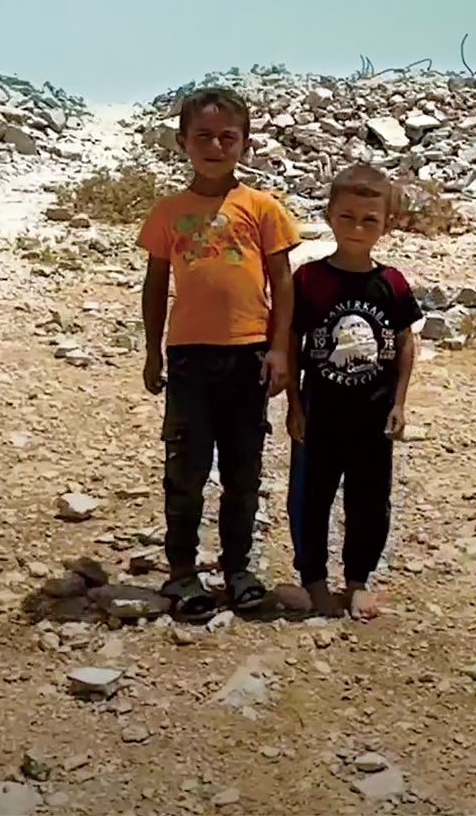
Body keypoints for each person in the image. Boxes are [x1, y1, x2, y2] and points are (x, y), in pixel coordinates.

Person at [137, 87, 300, 621]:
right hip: (188, 358)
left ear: (245, 144)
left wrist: (280, 349)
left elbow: (282, 281)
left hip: (248, 355)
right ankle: (183, 573)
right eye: (202, 136)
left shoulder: (262, 208)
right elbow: (155, 284)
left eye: (227, 137)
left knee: (242, 470)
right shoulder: (168, 212)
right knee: (185, 469)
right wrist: (153, 352)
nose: (214, 147)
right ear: (182, 142)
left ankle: (238, 570)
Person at [285, 163, 419, 621]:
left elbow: (405, 342)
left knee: (370, 500)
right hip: (320, 412)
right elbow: (292, 341)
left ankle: (358, 579)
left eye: (369, 220)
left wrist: (399, 402)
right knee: (311, 497)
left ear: (386, 225)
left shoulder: (392, 283)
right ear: (329, 215)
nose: (357, 228)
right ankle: (314, 579)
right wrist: (294, 404)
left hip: (373, 416)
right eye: (347, 216)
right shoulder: (309, 279)